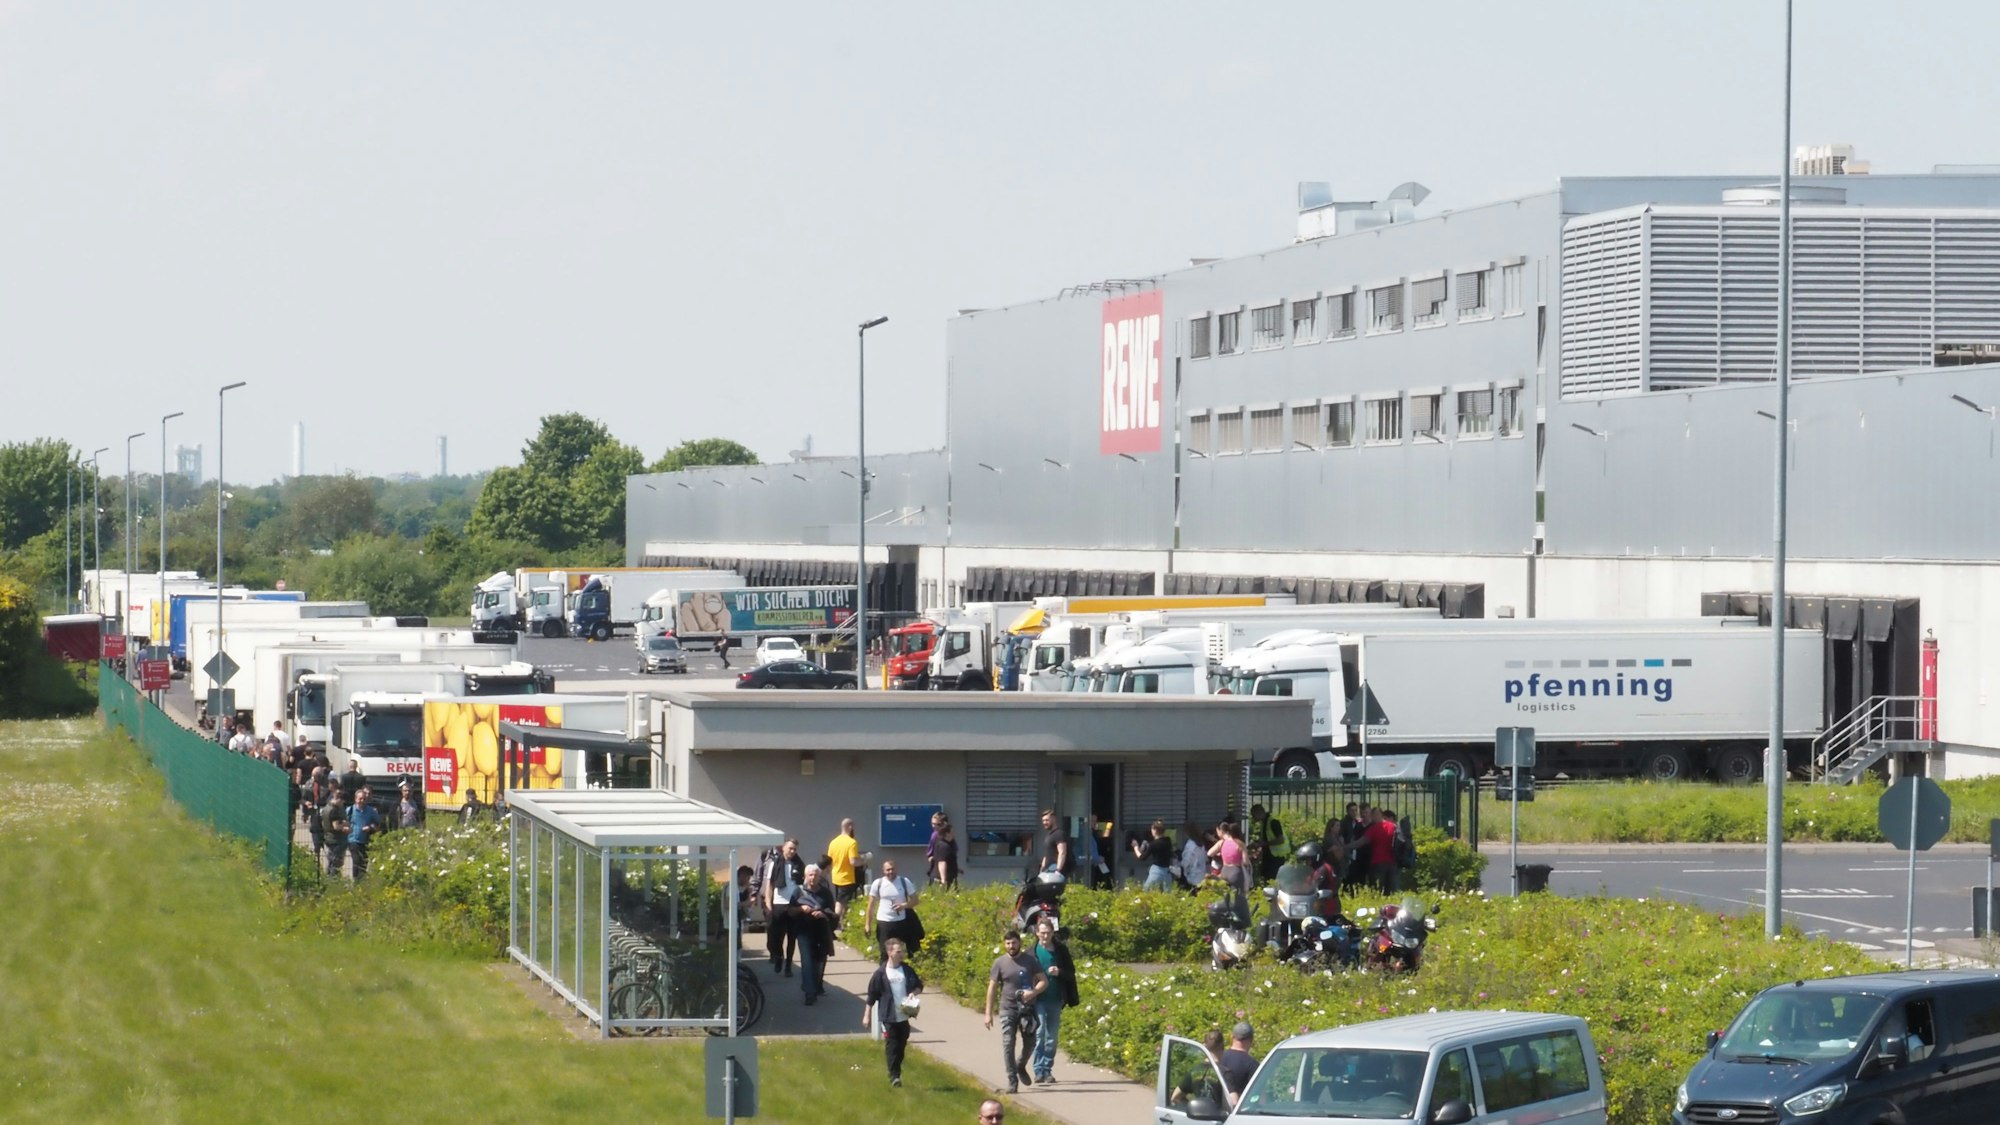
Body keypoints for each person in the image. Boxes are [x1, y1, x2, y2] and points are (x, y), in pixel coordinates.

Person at [982, 928, 1047, 1095]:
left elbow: (1043, 981)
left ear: (1020, 943)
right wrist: (988, 1013)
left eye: (1014, 943)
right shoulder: (999, 963)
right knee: (1008, 1043)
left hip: (1027, 1009)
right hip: (1007, 1008)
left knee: (1030, 1043)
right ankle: (1012, 1080)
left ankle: (1020, 1065)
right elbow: (992, 988)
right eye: (1008, 943)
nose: (1011, 946)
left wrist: (1033, 992)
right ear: (1005, 944)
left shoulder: (1030, 961)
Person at [861, 937, 924, 1087]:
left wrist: (913, 993)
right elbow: (872, 996)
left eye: (902, 951)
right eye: (898, 951)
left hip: (903, 1015)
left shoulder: (906, 970)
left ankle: (896, 1070)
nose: (901, 954)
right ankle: (894, 1076)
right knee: (892, 1045)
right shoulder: (881, 974)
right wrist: (866, 1016)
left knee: (901, 1045)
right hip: (888, 1016)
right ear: (890, 952)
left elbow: (919, 986)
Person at [1029, 916, 1078, 1085]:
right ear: (1036, 933)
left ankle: (1047, 1069)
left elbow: (1071, 973)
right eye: (1042, 933)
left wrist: (1059, 972)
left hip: (1056, 998)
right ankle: (1038, 1070)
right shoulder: (1032, 952)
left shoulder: (1060, 951)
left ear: (1052, 933)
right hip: (1038, 999)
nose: (1045, 936)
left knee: (1052, 1037)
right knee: (1039, 1032)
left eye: (1048, 933)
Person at [794, 863, 836, 1005]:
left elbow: (833, 913)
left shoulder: (825, 893)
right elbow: (789, 910)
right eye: (810, 875)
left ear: (819, 877)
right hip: (804, 932)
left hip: (821, 931)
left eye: (815, 875)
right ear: (805, 876)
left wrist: (823, 913)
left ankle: (817, 986)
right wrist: (800, 909)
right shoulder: (798, 891)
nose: (813, 878)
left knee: (819, 961)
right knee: (807, 962)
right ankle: (809, 993)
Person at [865, 858, 921, 962]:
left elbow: (915, 900)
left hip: (900, 922)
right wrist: (867, 924)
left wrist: (904, 905)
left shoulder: (904, 882)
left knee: (899, 952)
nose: (890, 872)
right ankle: (884, 975)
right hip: (884, 922)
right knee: (884, 952)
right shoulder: (878, 883)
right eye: (888, 870)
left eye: (892, 869)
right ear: (883, 870)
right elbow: (871, 905)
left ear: (896, 869)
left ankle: (898, 972)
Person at [764, 838, 805, 977]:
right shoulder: (775, 863)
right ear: (783, 848)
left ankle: (788, 966)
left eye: (795, 849)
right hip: (779, 903)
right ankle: (779, 956)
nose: (792, 851)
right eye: (790, 848)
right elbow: (769, 884)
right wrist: (768, 902)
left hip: (794, 904)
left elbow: (803, 885)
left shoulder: (799, 864)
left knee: (792, 937)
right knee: (776, 935)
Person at [827, 818, 866, 924]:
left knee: (841, 901)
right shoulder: (851, 842)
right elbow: (853, 862)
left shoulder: (833, 842)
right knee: (841, 903)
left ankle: (842, 924)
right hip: (847, 877)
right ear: (850, 827)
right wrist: (863, 861)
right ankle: (833, 925)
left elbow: (829, 860)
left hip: (835, 876)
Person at [1209, 820, 1250, 917]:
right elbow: (1246, 862)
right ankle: (1238, 918)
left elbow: (1209, 853)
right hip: (1236, 872)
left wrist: (1221, 854)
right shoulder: (1240, 844)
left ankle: (1225, 917)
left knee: (1224, 897)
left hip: (1225, 871)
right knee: (1238, 898)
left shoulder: (1221, 843)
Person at [348, 786, 385, 879]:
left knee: (364, 863)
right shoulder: (350, 810)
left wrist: (370, 827)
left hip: (365, 841)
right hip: (353, 840)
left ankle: (362, 882)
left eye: (364, 799)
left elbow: (379, 822)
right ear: (356, 799)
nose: (362, 801)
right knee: (356, 861)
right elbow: (344, 821)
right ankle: (356, 882)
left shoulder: (370, 811)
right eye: (360, 799)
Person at [1220, 1022, 1257, 1108]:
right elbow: (1258, 1097)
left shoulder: (1218, 1058)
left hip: (1213, 1110)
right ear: (1251, 1040)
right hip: (1236, 1112)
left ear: (1232, 1037)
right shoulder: (1252, 1065)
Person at [1136, 819, 1178, 892]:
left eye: (1152, 829)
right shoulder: (1168, 841)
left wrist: (1135, 847)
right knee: (1167, 894)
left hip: (1157, 871)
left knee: (1146, 891)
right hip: (1167, 871)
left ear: (1155, 830)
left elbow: (1142, 857)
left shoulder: (1153, 844)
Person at [1249, 804, 1288, 882]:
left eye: (1254, 815)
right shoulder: (1264, 823)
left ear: (1259, 813)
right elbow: (1266, 839)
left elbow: (1280, 840)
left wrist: (1265, 843)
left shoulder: (1273, 822)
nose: (1253, 818)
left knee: (1274, 879)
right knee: (1267, 878)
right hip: (1269, 856)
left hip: (1277, 857)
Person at [1365, 808, 1400, 893]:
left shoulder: (1373, 829)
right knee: (1393, 890)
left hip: (1378, 862)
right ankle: (1393, 904)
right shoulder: (1393, 826)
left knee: (1378, 889)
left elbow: (1361, 841)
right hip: (1393, 862)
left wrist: (1346, 846)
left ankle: (1379, 904)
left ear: (1373, 816)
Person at [1032, 809, 1072, 881]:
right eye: (1043, 820)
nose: (1044, 822)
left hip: (1055, 871)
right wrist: (1042, 869)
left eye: (1047, 820)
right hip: (1047, 871)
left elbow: (1062, 852)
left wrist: (1058, 870)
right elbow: (1047, 854)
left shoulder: (1059, 834)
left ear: (1053, 819)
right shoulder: (1049, 835)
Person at [319, 789, 350, 878]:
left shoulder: (326, 807)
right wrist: (346, 827)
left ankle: (328, 880)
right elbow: (336, 826)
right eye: (342, 801)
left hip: (329, 838)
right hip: (336, 840)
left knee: (331, 861)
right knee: (336, 863)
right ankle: (333, 882)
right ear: (340, 799)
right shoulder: (334, 810)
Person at [927, 813, 960, 887]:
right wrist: (943, 880)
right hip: (940, 875)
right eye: (933, 824)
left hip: (950, 873)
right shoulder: (938, 839)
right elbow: (942, 861)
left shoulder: (950, 842)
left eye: (937, 824)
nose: (934, 826)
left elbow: (950, 856)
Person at [1180, 822, 1210, 893]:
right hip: (1201, 875)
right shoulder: (1201, 844)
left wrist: (1182, 868)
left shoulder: (1190, 844)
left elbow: (1187, 861)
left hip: (1192, 877)